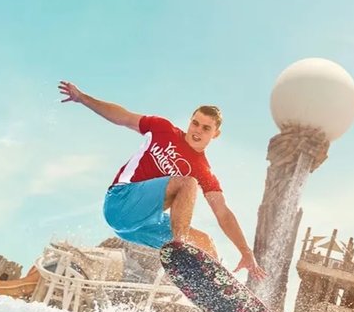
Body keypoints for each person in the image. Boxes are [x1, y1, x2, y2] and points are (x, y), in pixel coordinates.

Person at [58, 80, 266, 279]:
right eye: (195, 123)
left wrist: (245, 251)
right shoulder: (163, 129)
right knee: (187, 182)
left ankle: (217, 293)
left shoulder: (204, 170)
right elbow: (123, 117)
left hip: (141, 226)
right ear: (190, 121)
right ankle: (180, 248)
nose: (197, 130)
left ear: (215, 134)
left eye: (206, 128)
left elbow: (222, 212)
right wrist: (83, 98)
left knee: (205, 243)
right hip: (120, 202)